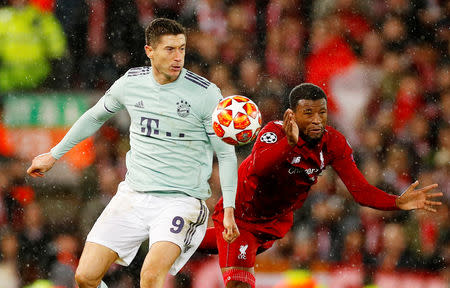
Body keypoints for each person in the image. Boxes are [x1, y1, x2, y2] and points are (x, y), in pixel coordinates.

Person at [26, 18, 240, 288]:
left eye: (182, 49)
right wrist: (53, 155)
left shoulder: (206, 94)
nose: (178, 57)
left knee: (150, 278)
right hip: (134, 195)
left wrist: (230, 208)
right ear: (149, 51)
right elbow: (94, 117)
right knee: (85, 277)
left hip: (180, 201)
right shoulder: (131, 83)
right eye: (170, 49)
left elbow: (226, 154)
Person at [199, 83, 443, 288]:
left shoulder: (333, 143)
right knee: (239, 284)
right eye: (308, 113)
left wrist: (397, 202)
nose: (317, 120)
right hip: (242, 218)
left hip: (274, 224)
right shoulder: (275, 131)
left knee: (190, 243)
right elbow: (257, 167)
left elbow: (360, 191)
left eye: (322, 113)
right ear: (292, 115)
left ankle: (175, 235)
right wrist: (289, 144)